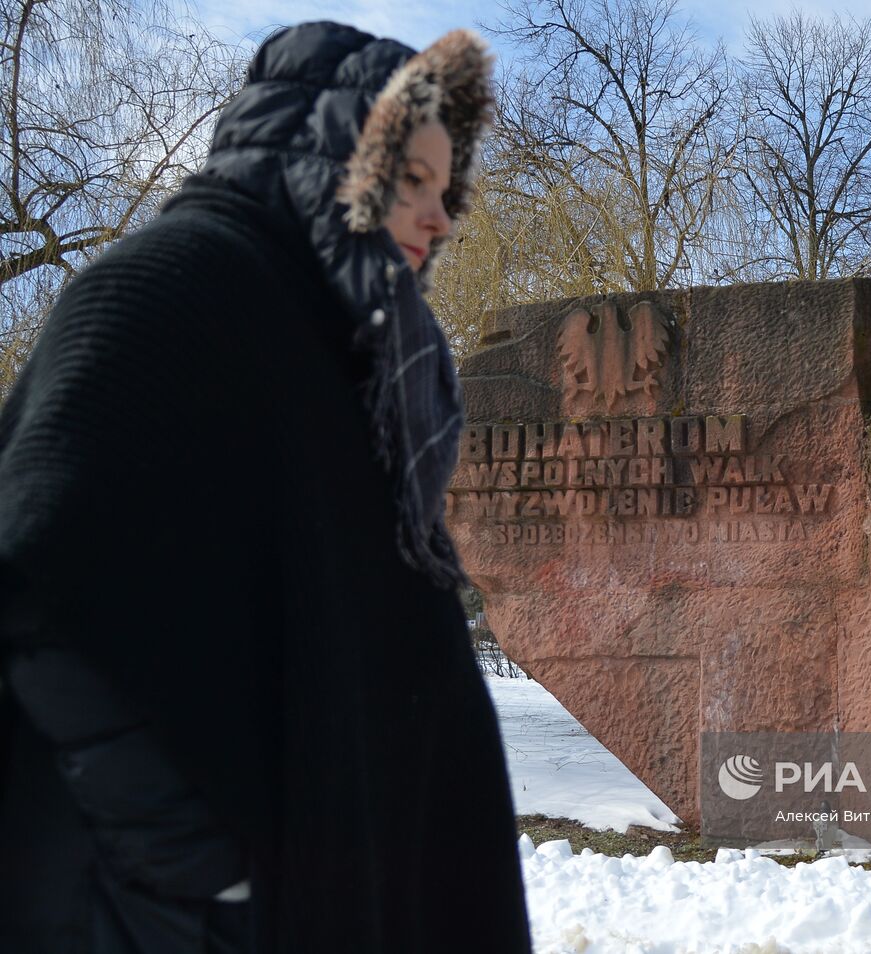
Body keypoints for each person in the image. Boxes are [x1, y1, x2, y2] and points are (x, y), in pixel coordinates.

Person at [0, 21, 531, 953]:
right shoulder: (175, 285)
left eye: (449, 191)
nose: (444, 218)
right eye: (415, 182)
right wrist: (195, 884)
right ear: (338, 162)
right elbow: (36, 574)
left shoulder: (360, 363)